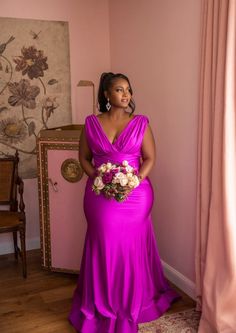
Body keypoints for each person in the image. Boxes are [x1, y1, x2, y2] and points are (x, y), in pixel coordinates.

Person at [69, 72, 180, 333]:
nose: (126, 94)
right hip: (100, 195)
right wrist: (98, 178)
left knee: (131, 246)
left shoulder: (141, 123)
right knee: (104, 243)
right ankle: (103, 302)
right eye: (119, 89)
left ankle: (135, 300)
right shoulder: (91, 123)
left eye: (128, 89)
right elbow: (83, 158)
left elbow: (150, 158)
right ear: (107, 95)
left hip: (136, 196)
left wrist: (134, 180)